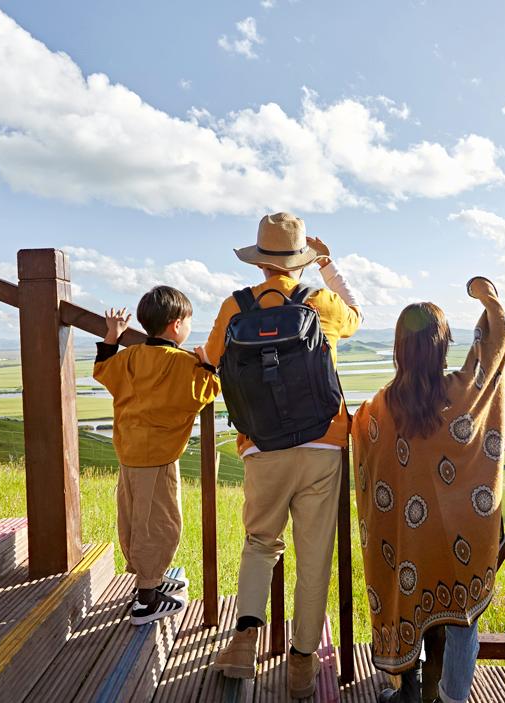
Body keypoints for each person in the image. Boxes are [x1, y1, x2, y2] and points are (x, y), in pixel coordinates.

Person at [207, 212, 361, 699]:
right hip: (323, 443)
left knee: (259, 543)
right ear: (302, 261)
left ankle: (243, 642)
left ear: (259, 261)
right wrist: (328, 266)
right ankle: (300, 662)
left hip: (261, 445)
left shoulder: (235, 306)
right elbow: (356, 316)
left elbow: (211, 359)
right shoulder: (321, 302)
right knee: (313, 557)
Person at [351, 277, 505, 703]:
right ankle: (453, 698)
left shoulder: (377, 410)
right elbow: (494, 346)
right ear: (442, 347)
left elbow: (364, 450)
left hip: (407, 541)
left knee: (405, 599)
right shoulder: (463, 392)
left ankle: (408, 691)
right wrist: (485, 295)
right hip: (462, 535)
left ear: (399, 348)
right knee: (462, 618)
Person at [93, 286, 221, 626]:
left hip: (129, 452)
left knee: (135, 518)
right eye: (189, 321)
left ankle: (151, 577)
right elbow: (206, 390)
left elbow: (103, 369)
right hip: (159, 458)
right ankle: (146, 600)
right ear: (176, 325)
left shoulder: (131, 356)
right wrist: (208, 366)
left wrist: (113, 334)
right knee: (160, 525)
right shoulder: (182, 363)